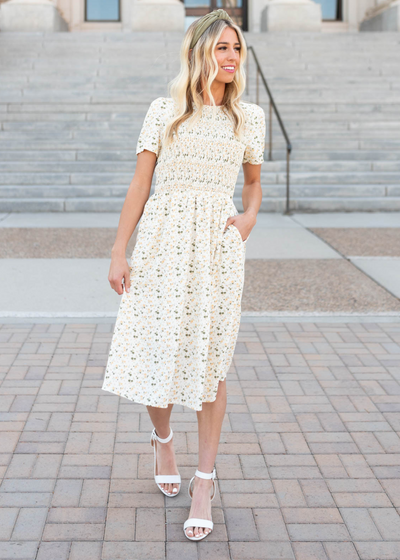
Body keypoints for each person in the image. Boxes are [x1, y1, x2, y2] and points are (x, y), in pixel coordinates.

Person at [102, 9, 266, 541]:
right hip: (160, 245)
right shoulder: (163, 111)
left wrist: (246, 221)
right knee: (158, 359)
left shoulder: (249, 118)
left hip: (217, 254)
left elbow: (254, 185)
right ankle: (164, 439)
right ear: (199, 51)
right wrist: (118, 252)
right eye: (222, 48)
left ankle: (204, 482)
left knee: (212, 367)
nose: (231, 58)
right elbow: (138, 186)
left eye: (237, 49)